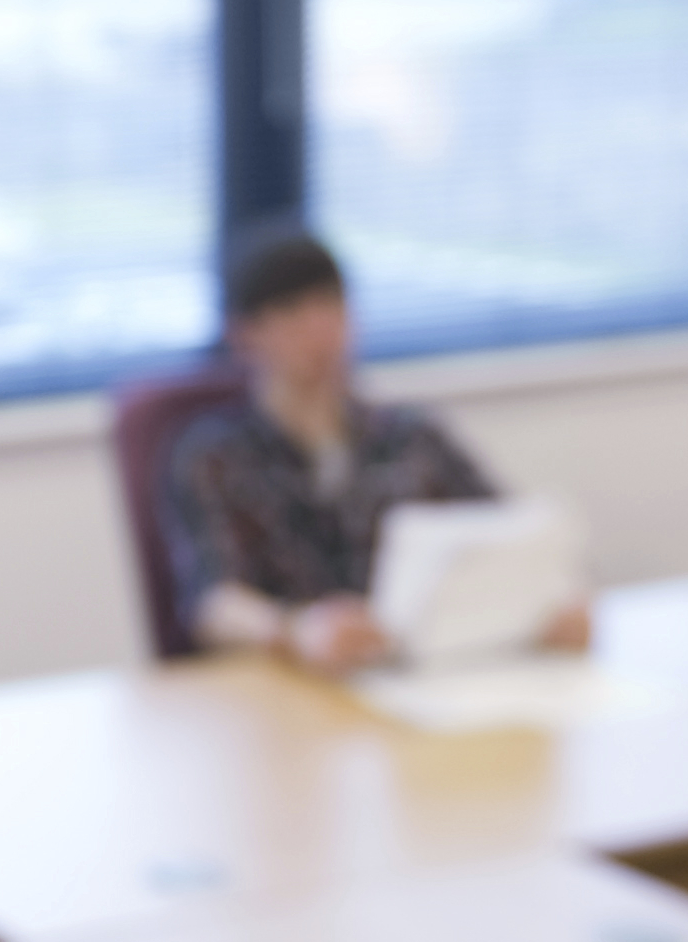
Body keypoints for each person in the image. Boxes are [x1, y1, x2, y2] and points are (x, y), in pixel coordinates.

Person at [161, 225, 573, 671]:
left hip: (422, 669)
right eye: (292, 312)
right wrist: (295, 629)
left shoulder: (412, 436)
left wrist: (555, 599)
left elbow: (512, 529)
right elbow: (212, 604)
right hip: (293, 680)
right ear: (244, 333)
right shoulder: (215, 454)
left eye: (330, 304)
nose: (319, 329)